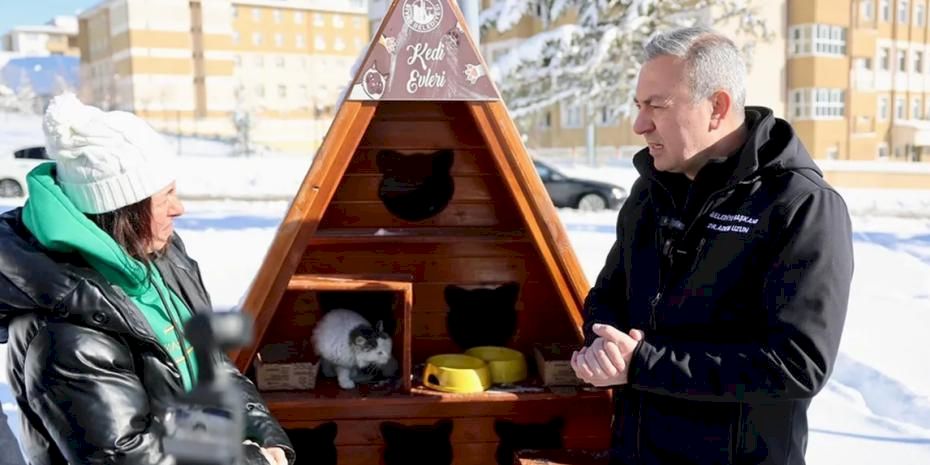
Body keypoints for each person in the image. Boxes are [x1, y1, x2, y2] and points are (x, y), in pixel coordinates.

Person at [570, 26, 854, 465]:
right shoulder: (649, 193)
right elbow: (608, 295)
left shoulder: (800, 205)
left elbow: (797, 364)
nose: (639, 124)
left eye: (656, 106)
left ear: (717, 107)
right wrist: (602, 343)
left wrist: (644, 363)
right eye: (639, 106)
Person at [0, 94, 294, 465]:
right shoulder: (66, 334)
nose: (180, 208)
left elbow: (212, 363)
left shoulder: (163, 259)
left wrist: (264, 436)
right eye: (166, 196)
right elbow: (130, 453)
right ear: (124, 210)